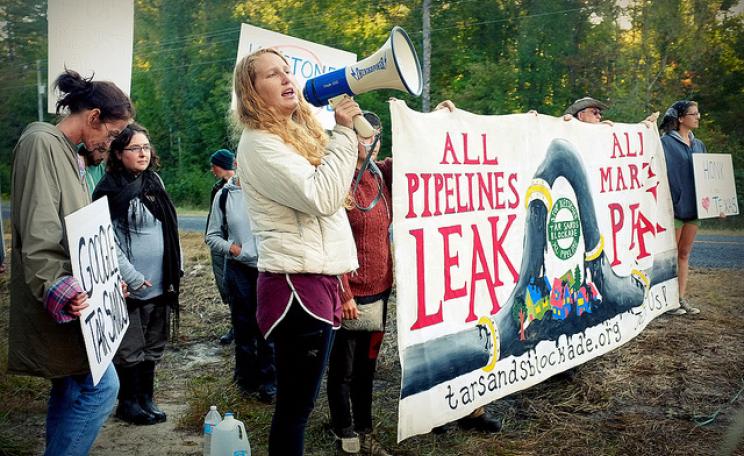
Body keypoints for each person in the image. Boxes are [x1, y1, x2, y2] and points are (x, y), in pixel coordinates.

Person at [233, 47, 361, 455]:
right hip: (295, 288)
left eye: (288, 71)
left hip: (313, 280)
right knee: (295, 408)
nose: (288, 79)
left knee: (298, 405)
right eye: (273, 74)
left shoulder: (292, 136)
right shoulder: (258, 145)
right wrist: (343, 132)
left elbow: (335, 186)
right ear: (252, 92)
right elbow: (322, 195)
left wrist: (356, 136)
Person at [8, 69, 133, 455]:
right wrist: (59, 288)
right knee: (102, 388)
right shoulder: (41, 145)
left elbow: (82, 236)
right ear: (93, 117)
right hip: (61, 302)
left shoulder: (69, 155)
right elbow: (38, 232)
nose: (110, 146)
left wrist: (109, 281)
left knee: (70, 386)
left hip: (79, 302)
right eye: (111, 136)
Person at [93, 122, 181, 425]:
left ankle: (146, 399)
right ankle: (127, 404)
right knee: (131, 346)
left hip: (160, 280)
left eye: (146, 147)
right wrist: (130, 275)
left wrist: (175, 266)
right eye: (134, 148)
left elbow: (168, 226)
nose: (143, 153)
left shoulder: (154, 180)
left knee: (154, 344)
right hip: (129, 285)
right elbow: (106, 240)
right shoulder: (108, 189)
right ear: (118, 153)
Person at [326, 111, 393, 456]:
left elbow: (422, 156)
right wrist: (344, 293)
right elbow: (331, 239)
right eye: (363, 136)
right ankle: (344, 431)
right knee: (343, 369)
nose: (369, 143)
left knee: (368, 367)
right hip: (348, 295)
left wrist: (441, 118)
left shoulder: (381, 176)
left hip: (380, 290)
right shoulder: (336, 179)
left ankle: (366, 429)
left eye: (374, 138)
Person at [205, 172, 276, 403]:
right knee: (244, 329)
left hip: (270, 268)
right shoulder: (225, 195)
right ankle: (246, 382)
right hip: (240, 271)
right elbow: (212, 236)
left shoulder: (272, 187)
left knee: (269, 329)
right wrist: (234, 249)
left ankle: (270, 383)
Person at [659, 100, 710, 315]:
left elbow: (709, 178)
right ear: (681, 118)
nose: (698, 117)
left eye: (698, 113)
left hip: (694, 209)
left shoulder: (699, 145)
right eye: (693, 114)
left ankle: (680, 299)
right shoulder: (664, 143)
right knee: (669, 256)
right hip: (673, 208)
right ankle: (665, 303)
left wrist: (718, 205)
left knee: (684, 253)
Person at [206, 148, 236, 345]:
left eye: (214, 166)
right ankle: (235, 323)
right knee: (224, 283)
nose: (211, 170)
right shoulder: (217, 189)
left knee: (238, 285)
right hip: (220, 244)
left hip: (236, 245)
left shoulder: (243, 186)